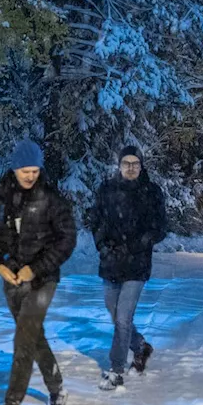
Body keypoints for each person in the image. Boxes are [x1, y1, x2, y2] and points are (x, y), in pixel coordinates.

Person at [0, 140, 77, 405]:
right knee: (32, 336)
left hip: (43, 279)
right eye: (25, 170)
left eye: (35, 170)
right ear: (14, 168)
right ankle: (56, 385)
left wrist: (34, 268)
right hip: (12, 279)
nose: (30, 176)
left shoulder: (51, 199)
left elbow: (67, 239)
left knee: (24, 338)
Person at [88, 145, 167, 391]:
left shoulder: (151, 192)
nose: (131, 168)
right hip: (110, 262)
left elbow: (161, 227)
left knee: (123, 317)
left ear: (141, 166)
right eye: (126, 163)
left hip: (136, 264)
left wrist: (143, 241)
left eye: (135, 163)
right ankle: (140, 346)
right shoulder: (107, 189)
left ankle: (116, 369)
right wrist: (102, 245)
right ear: (119, 165)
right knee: (114, 314)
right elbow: (96, 220)